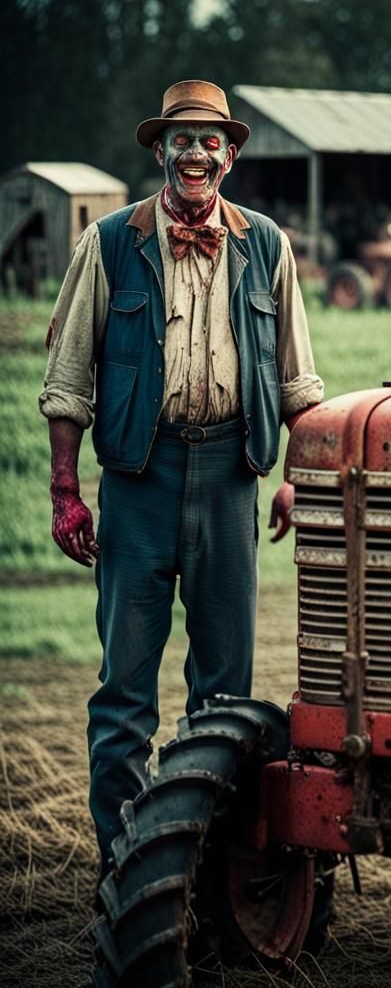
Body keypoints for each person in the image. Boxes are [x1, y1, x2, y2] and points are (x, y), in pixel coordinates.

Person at [39, 80, 324, 875]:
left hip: (232, 476)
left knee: (225, 696)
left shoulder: (267, 244)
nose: (195, 153)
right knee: (124, 692)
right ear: (160, 150)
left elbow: (300, 381)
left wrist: (295, 476)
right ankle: (122, 871)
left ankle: (209, 872)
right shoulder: (109, 241)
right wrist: (67, 494)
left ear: (230, 156)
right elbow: (66, 384)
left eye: (210, 141)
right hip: (138, 478)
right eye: (181, 139)